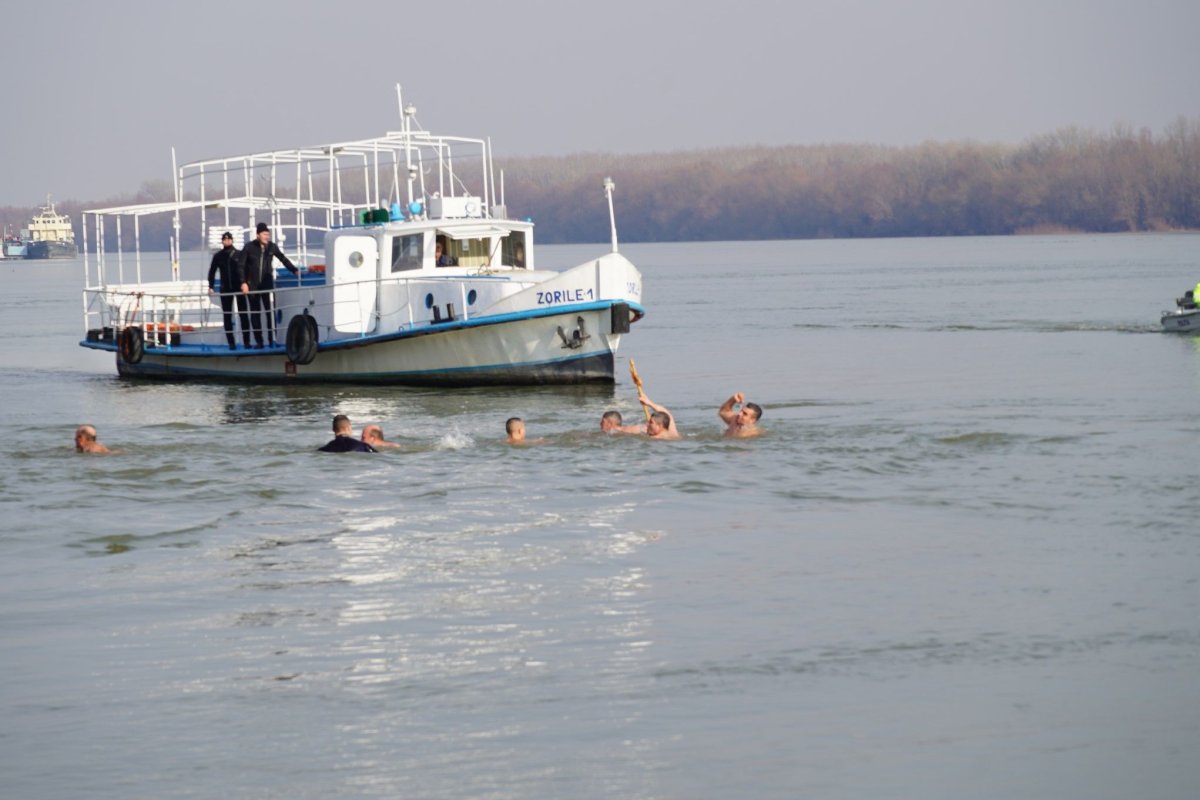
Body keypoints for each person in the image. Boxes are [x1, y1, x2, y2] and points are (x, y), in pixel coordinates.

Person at [239, 222, 298, 348]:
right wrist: (243, 283)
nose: (267, 237)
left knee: (269, 312)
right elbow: (241, 266)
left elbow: (283, 258)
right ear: (258, 234)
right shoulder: (249, 247)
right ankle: (259, 342)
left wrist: (294, 270)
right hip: (252, 286)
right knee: (255, 314)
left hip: (267, 285)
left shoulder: (272, 247)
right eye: (264, 234)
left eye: (268, 234)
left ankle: (272, 340)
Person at [207, 231, 250, 349]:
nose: (227, 241)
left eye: (229, 239)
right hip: (225, 289)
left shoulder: (239, 254)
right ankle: (231, 343)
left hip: (239, 288)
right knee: (227, 315)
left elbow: (246, 270)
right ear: (222, 241)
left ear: (232, 240)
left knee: (243, 315)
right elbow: (212, 271)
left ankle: (246, 342)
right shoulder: (218, 256)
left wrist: (246, 283)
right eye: (225, 240)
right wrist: (210, 286)